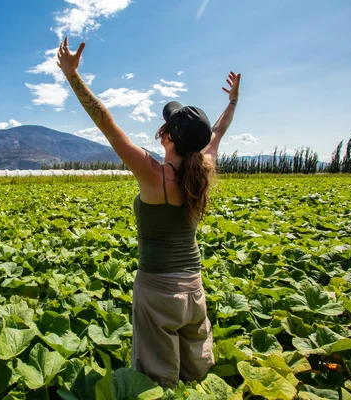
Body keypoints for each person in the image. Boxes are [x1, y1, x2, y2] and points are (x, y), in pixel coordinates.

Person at [57, 37, 240, 388]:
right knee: (196, 373)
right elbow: (219, 131)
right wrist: (232, 101)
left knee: (157, 383)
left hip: (157, 291)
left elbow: (106, 122)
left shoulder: (154, 175)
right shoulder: (203, 169)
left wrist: (72, 76)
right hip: (194, 289)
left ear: (167, 136)